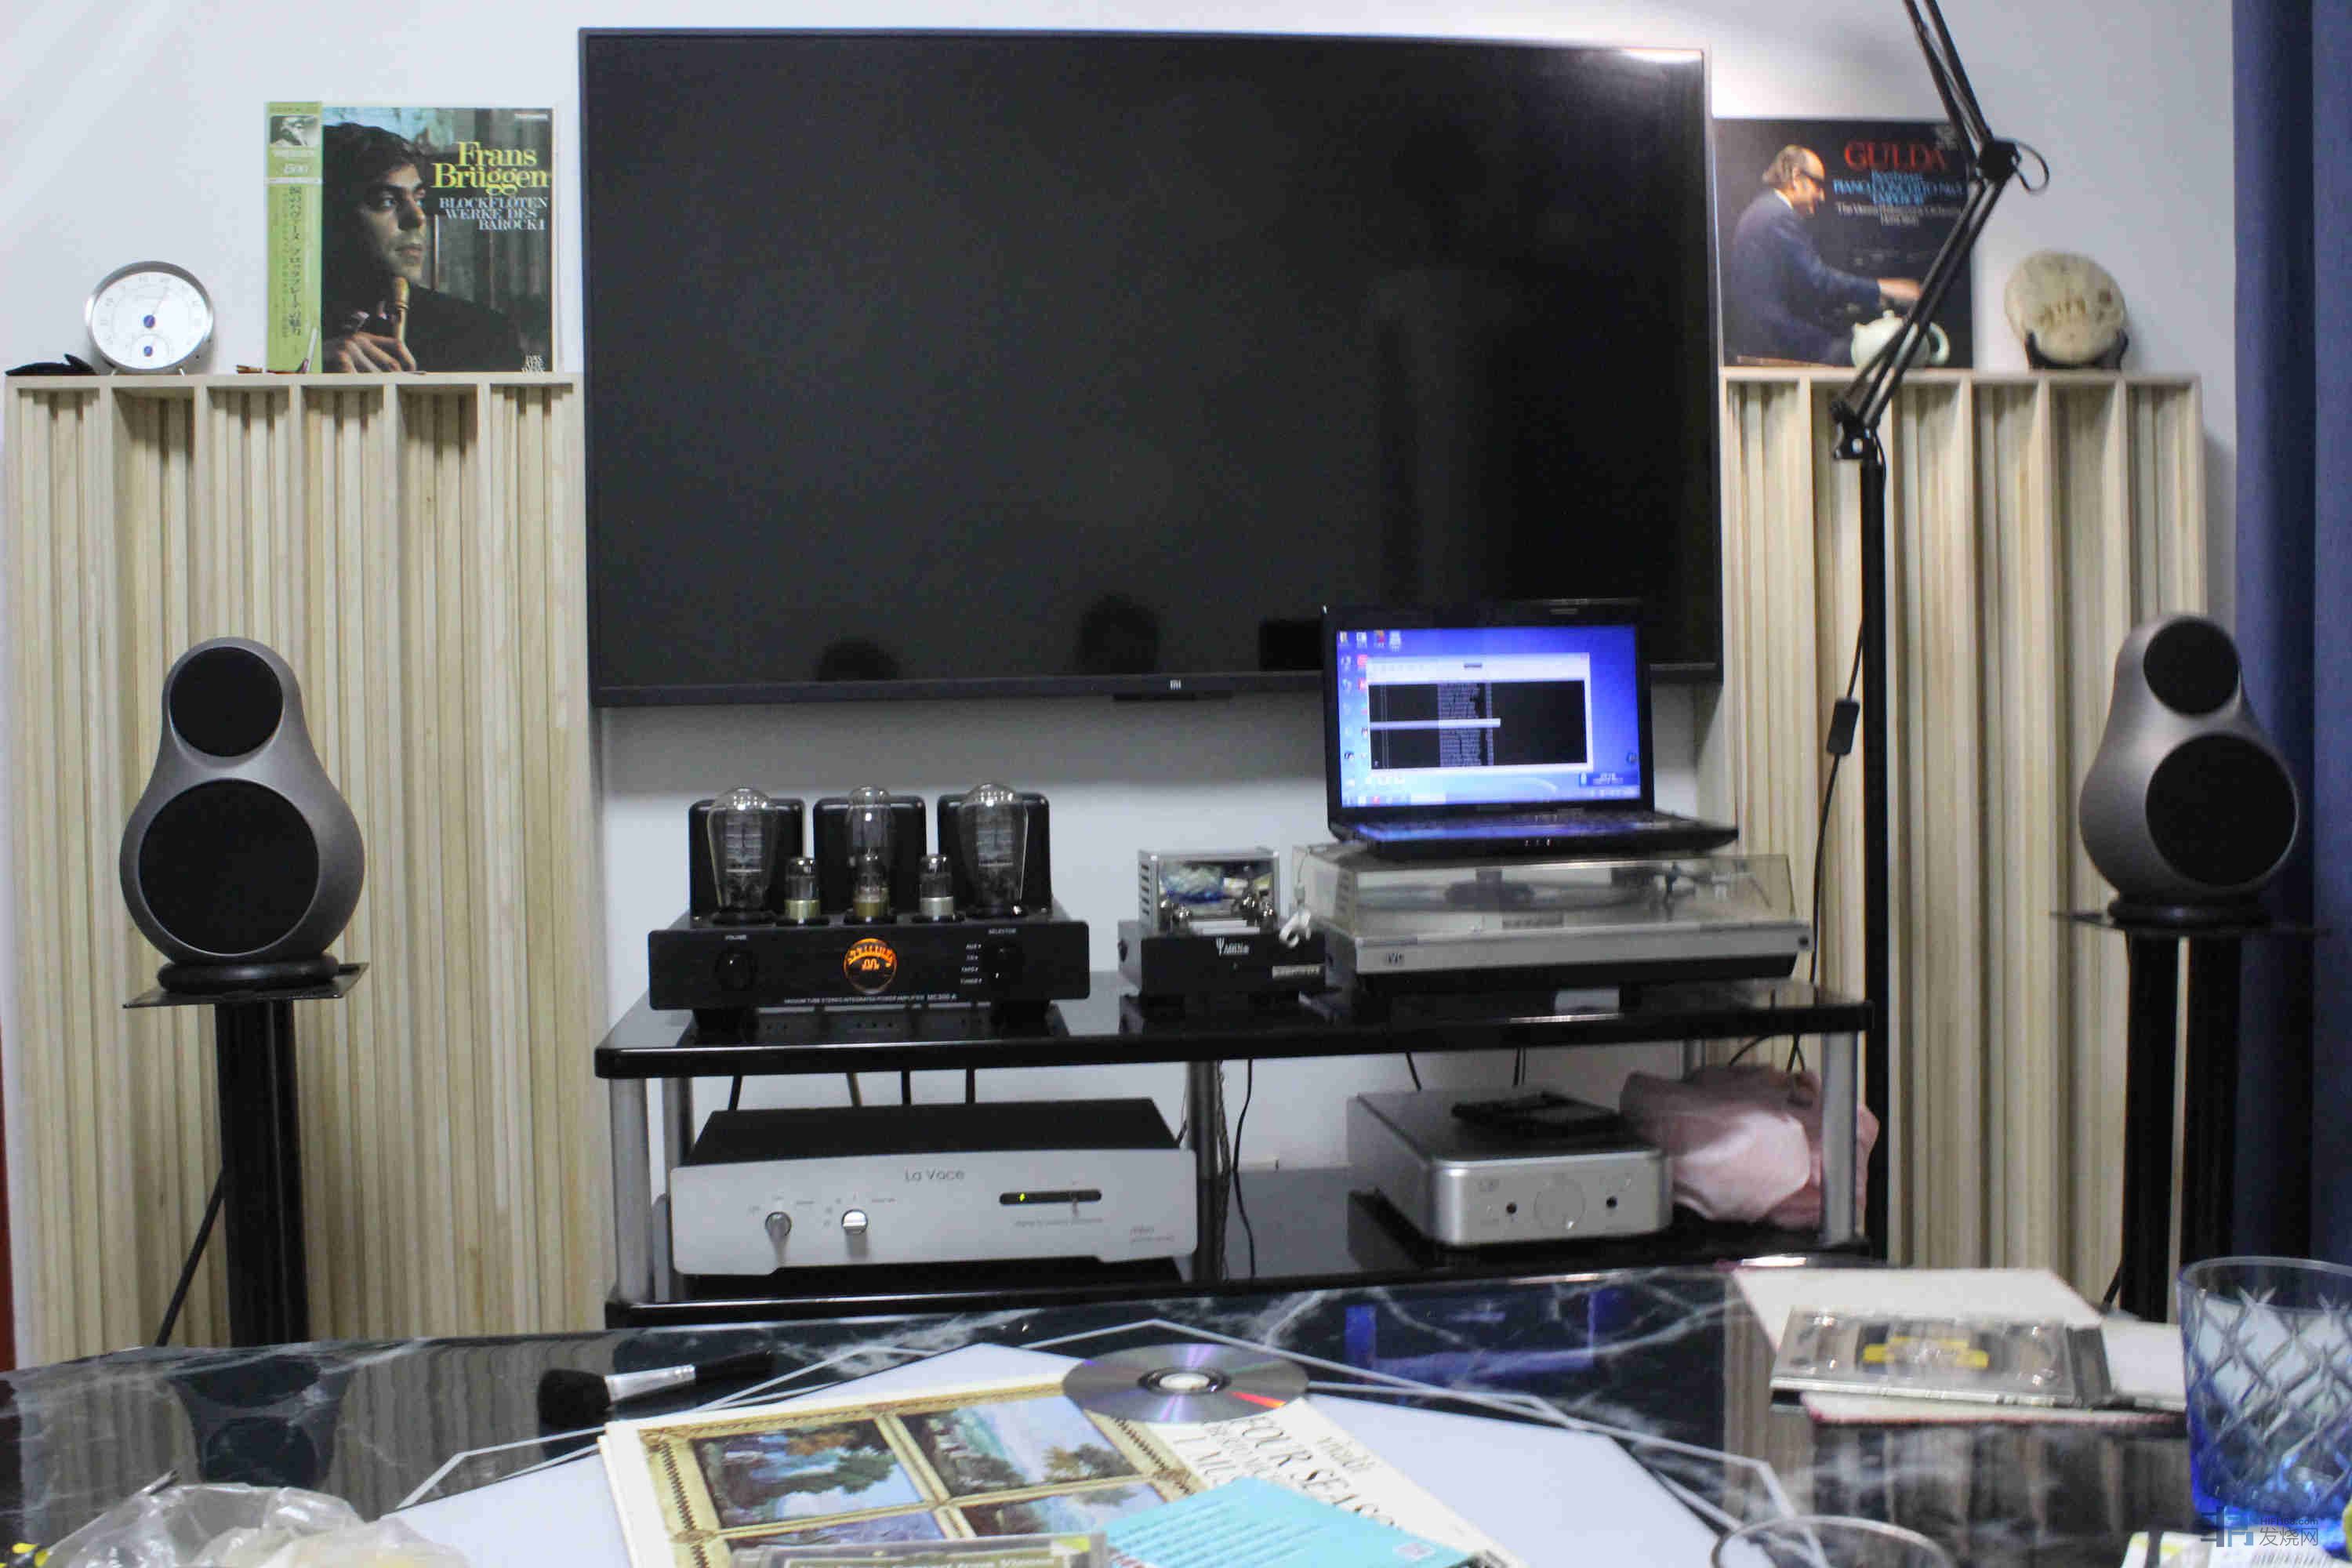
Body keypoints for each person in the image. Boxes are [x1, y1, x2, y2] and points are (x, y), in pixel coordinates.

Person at [320, 123, 523, 372]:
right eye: (387, 201)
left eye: (419, 200)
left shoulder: (484, 336)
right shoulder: (289, 340)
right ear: (332, 216)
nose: (418, 218)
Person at [1724, 146, 1922, 366]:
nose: (1822, 195)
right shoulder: (1778, 216)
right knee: (1876, 354)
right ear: (1796, 177)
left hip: (1765, 334)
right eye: (1818, 185)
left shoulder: (1764, 210)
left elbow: (1802, 289)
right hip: (1775, 339)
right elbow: (1819, 282)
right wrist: (1882, 288)